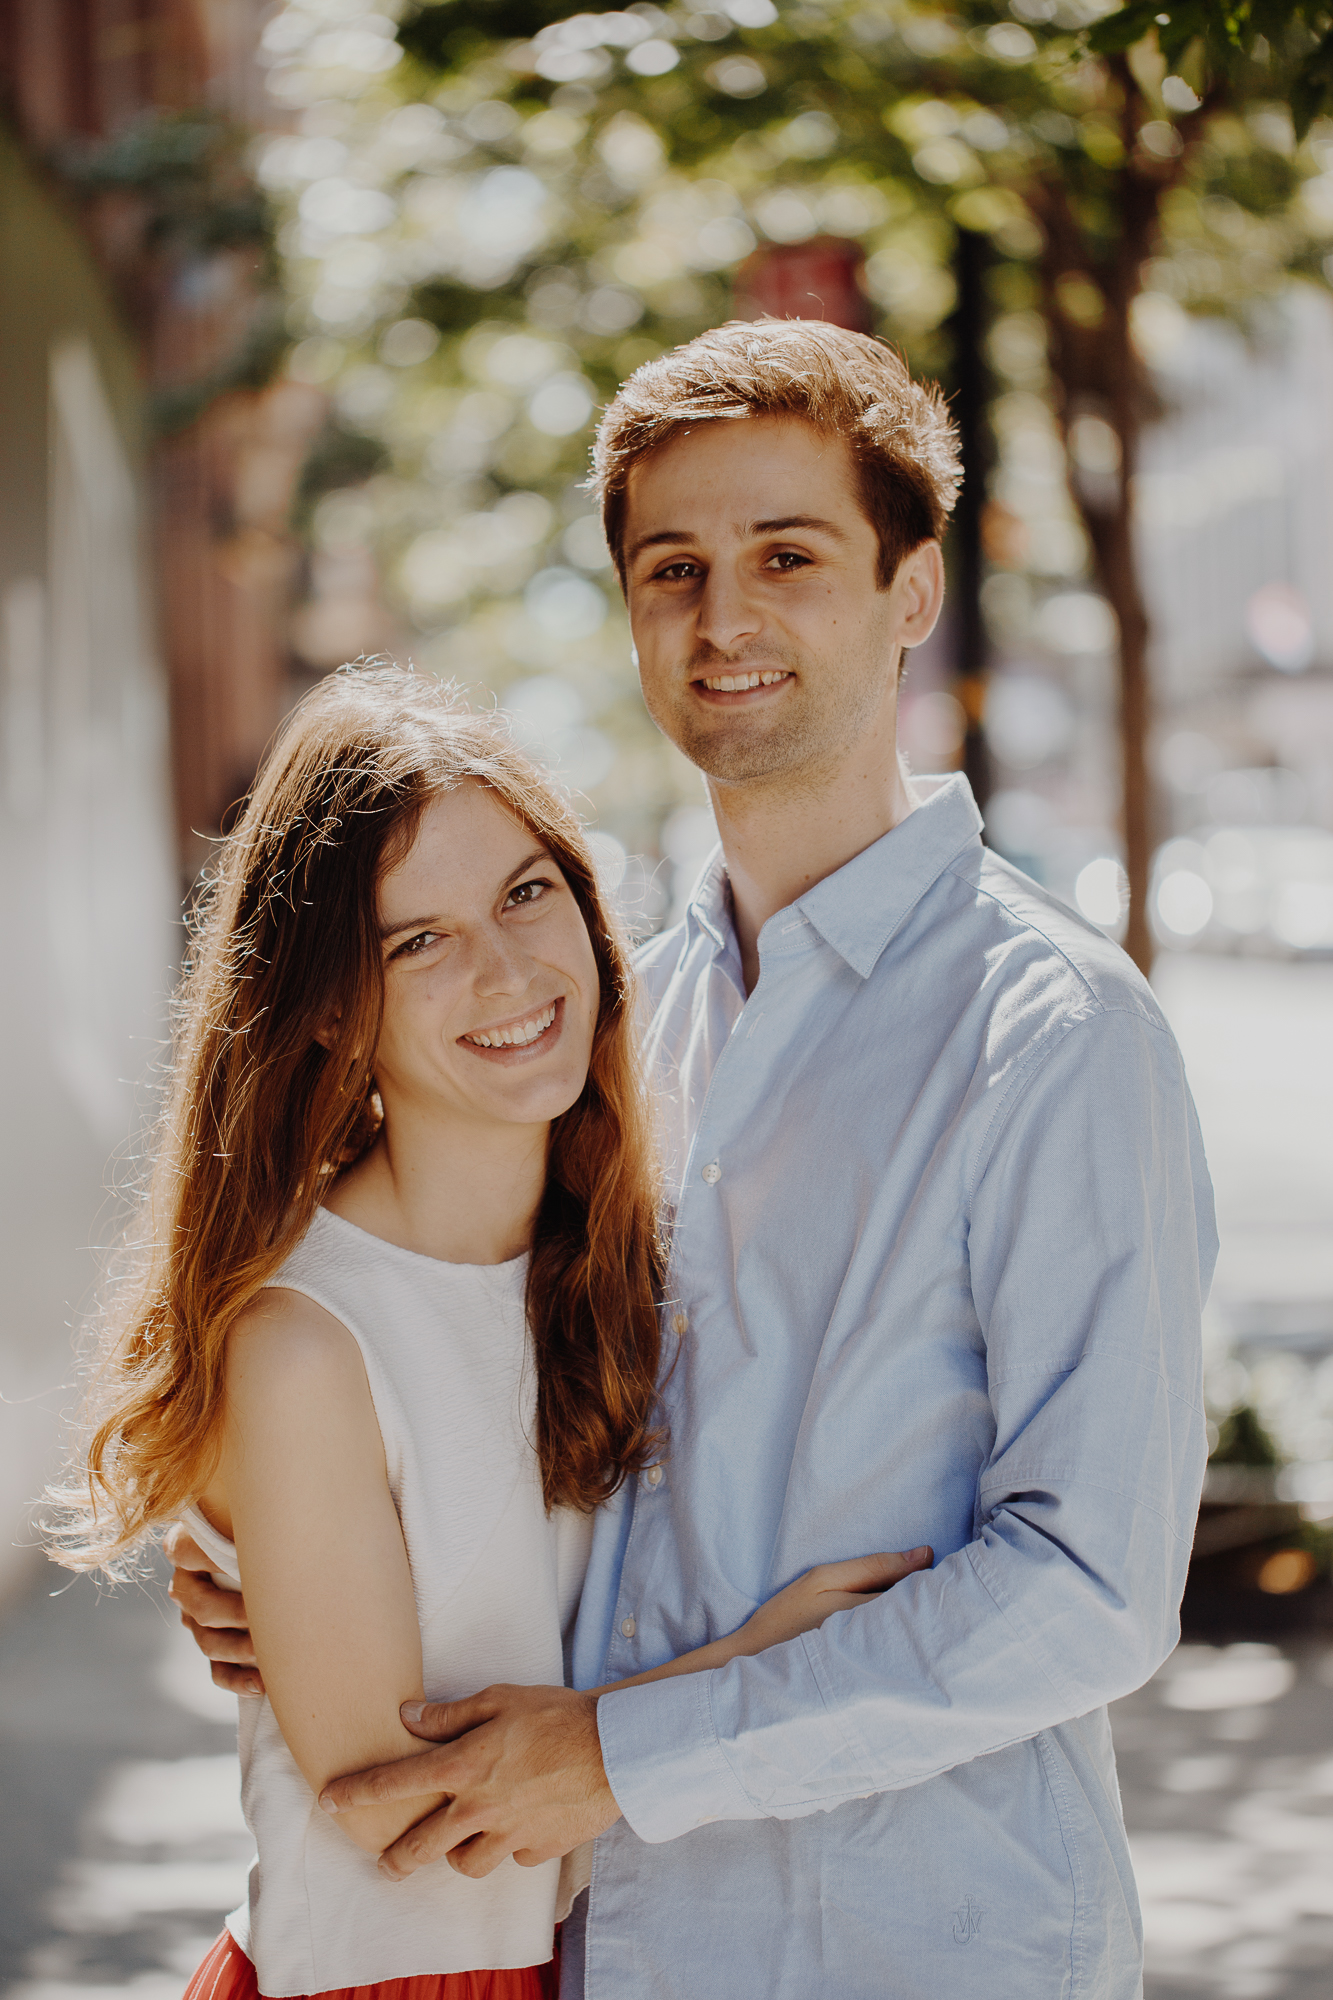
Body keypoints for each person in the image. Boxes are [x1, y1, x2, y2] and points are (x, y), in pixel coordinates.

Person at [172, 323, 1217, 2000]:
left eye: (786, 556)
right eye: (674, 569)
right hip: (595, 1953)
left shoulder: (1054, 1033)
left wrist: (624, 1753)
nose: (723, 619)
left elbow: (1086, 1590)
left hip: (914, 1950)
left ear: (911, 591)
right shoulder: (601, 1030)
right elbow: (480, 1410)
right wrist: (296, 1564)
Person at [58, 666, 930, 2000]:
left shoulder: (634, 1251)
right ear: (333, 1008)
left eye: (526, 892)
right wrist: (773, 1666)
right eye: (419, 941)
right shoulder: (305, 1344)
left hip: (628, 1954)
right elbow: (402, 1811)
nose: (509, 970)